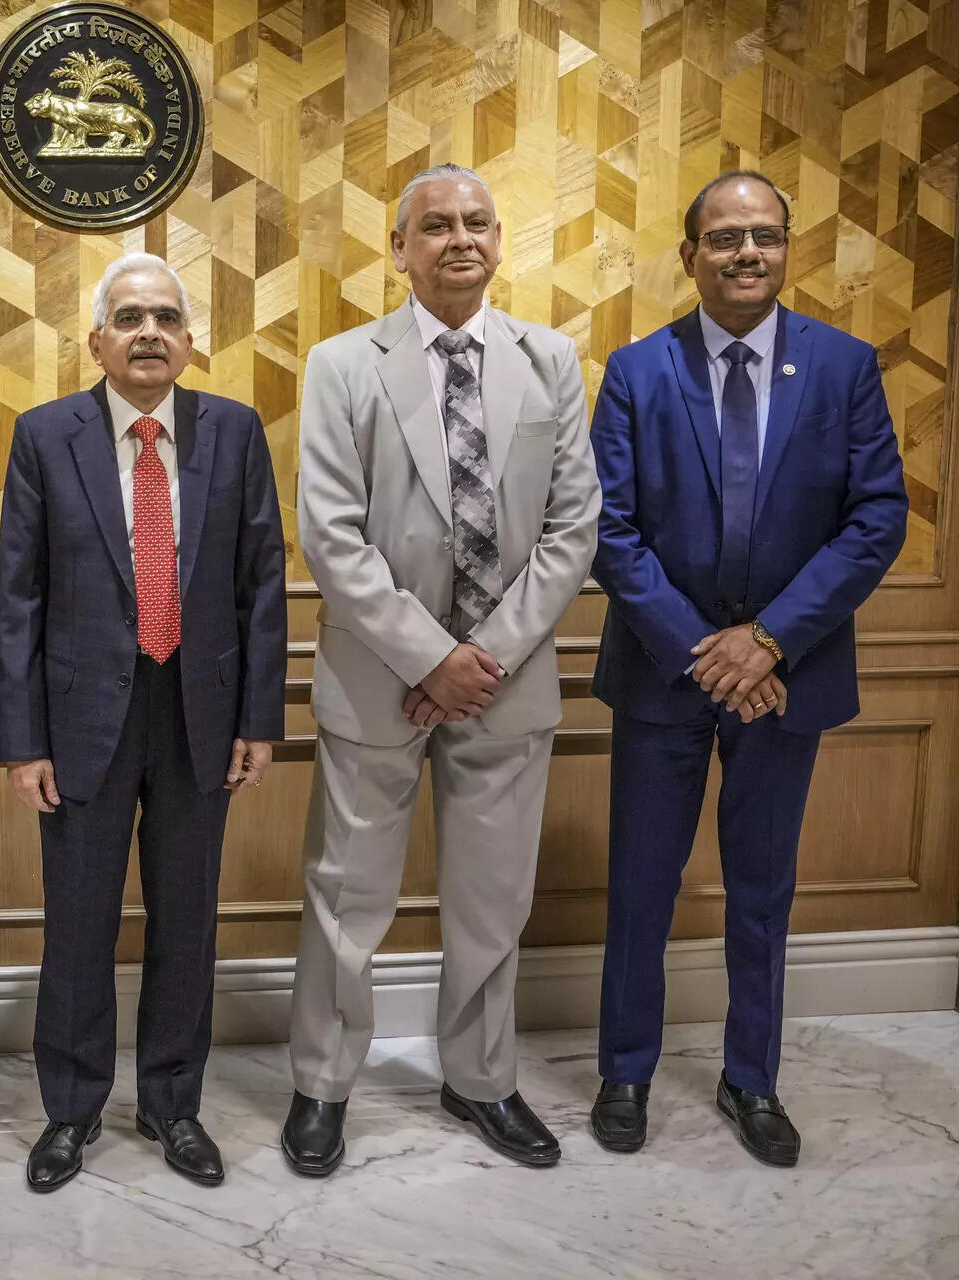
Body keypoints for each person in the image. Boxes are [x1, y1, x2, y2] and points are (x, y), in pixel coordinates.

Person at [284, 164, 600, 1174]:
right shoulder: (341, 364)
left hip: (508, 684)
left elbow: (573, 524)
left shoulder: (548, 360)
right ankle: (324, 1085)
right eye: (436, 225)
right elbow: (330, 536)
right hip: (378, 679)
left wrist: (485, 658)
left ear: (499, 239)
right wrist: (431, 657)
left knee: (492, 899)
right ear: (400, 247)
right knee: (347, 898)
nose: (460, 237)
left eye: (477, 222)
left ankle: (481, 1080)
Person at [588, 171, 908, 1165]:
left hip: (788, 673)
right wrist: (710, 651)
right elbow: (610, 527)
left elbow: (877, 516)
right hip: (663, 674)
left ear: (788, 246)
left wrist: (768, 640)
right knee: (641, 883)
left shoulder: (845, 366)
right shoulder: (638, 370)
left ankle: (752, 1077)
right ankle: (627, 1069)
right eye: (723, 239)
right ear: (689, 257)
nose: (746, 253)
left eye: (764, 236)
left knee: (762, 887)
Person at [0, 252, 286, 1191]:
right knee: (77, 923)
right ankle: (71, 1113)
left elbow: (261, 586)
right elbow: (21, 601)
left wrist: (259, 718)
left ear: (191, 343)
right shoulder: (46, 435)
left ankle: (173, 1105)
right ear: (96, 342)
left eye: (165, 317)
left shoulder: (234, 433)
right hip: (82, 721)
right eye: (129, 318)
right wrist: (23, 739)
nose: (149, 331)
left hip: (201, 714)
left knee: (186, 919)